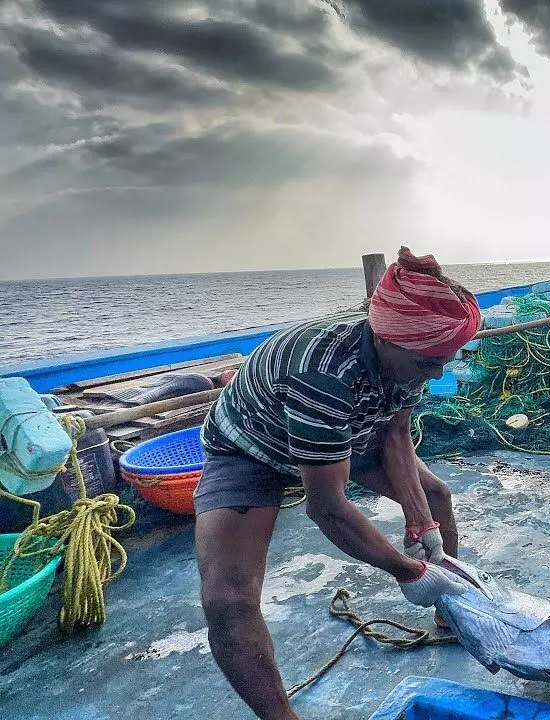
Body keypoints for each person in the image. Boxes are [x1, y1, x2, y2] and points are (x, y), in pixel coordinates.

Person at [195, 248, 480, 720]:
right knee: (228, 600)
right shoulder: (322, 374)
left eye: (446, 359)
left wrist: (420, 522)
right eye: (430, 362)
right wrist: (408, 571)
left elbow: (395, 431)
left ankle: (449, 613)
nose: (439, 373)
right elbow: (326, 507)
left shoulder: (414, 350)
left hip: (349, 429)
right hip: (253, 448)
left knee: (436, 497)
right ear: (388, 341)